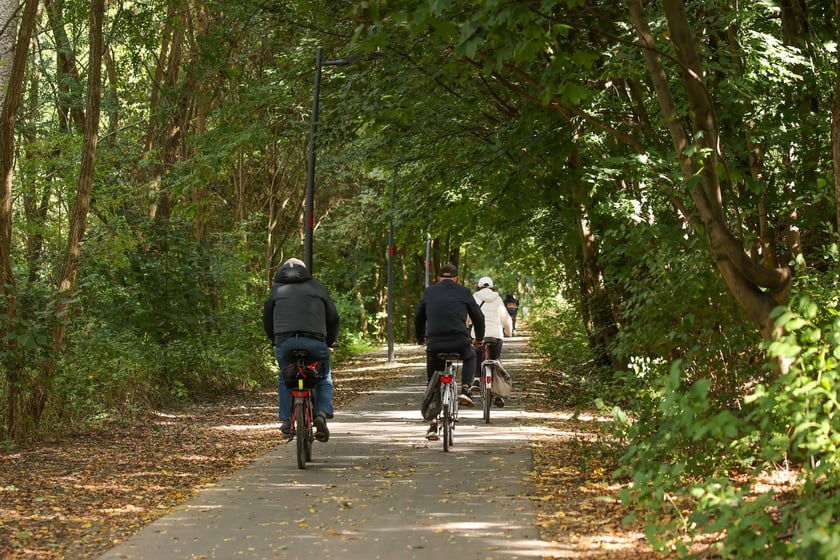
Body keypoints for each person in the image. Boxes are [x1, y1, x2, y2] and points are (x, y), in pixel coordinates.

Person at [263, 257, 340, 442]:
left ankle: (287, 420)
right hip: (315, 341)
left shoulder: (276, 290)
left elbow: (267, 317)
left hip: (285, 342)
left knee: (284, 377)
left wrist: (274, 340)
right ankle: (321, 414)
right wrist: (330, 341)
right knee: (323, 378)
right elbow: (333, 317)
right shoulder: (317, 287)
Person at [414, 263, 486, 440]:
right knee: (470, 356)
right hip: (458, 342)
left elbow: (419, 317)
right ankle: (466, 389)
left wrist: (420, 338)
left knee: (433, 383)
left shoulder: (429, 292)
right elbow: (478, 316)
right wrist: (479, 338)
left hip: (435, 343)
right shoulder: (463, 292)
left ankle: (432, 425)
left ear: (438, 278)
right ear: (457, 278)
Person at [471, 277, 514, 406]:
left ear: (478, 287)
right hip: (496, 335)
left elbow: (468, 315)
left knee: (477, 354)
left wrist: (467, 324)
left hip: (479, 334)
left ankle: (477, 378)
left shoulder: (474, 298)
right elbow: (506, 318)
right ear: (492, 287)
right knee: (496, 361)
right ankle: (499, 394)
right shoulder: (498, 299)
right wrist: (508, 332)